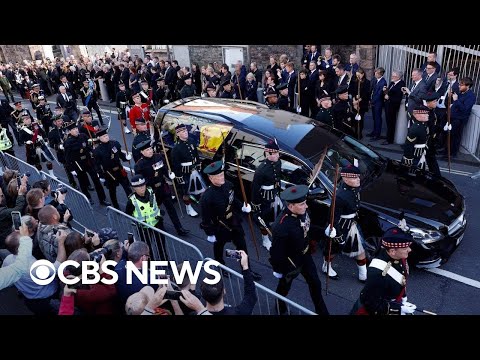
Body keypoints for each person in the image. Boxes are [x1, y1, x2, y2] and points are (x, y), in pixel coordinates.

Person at [269, 185, 329, 315]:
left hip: (305, 255)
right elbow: (276, 252)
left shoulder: (301, 212)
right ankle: (280, 307)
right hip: (291, 262)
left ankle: (322, 312)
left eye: (305, 203)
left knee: (315, 283)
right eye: (302, 204)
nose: (306, 206)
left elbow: (307, 229)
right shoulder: (282, 226)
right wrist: (278, 269)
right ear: (291, 207)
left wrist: (325, 232)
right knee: (284, 286)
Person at [200, 160, 262, 281]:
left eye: (222, 174)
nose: (222, 177)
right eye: (218, 176)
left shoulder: (228, 185)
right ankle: (221, 267)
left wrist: (242, 207)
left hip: (233, 221)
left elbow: (233, 200)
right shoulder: (207, 197)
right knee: (219, 248)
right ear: (211, 178)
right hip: (220, 226)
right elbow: (206, 218)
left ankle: (247, 269)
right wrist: (210, 233)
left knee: (242, 246)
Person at [350, 226, 416, 315]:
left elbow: (402, 280)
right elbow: (371, 304)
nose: (409, 250)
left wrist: (402, 298)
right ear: (392, 251)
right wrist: (397, 309)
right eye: (405, 248)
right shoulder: (377, 274)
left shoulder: (398, 256)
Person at [134, 140, 189, 236]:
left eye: (150, 148)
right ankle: (160, 227)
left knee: (171, 209)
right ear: (142, 152)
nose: (150, 151)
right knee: (156, 211)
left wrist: (169, 174)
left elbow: (164, 169)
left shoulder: (158, 157)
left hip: (163, 187)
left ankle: (179, 228)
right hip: (152, 190)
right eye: (147, 150)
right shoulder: (139, 165)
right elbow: (141, 181)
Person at [324, 165, 367, 282]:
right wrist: (337, 234)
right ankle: (326, 266)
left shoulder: (355, 188)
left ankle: (363, 274)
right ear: (345, 179)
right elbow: (332, 218)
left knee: (360, 250)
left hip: (351, 224)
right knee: (333, 250)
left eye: (358, 177)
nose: (358, 180)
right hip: (341, 226)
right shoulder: (340, 197)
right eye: (354, 178)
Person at [63, 121, 110, 206]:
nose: (76, 130)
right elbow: (67, 157)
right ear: (69, 131)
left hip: (88, 162)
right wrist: (72, 169)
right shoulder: (68, 142)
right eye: (73, 129)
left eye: (76, 128)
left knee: (96, 181)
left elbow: (89, 146)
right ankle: (87, 197)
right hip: (78, 164)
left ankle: (102, 199)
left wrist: (93, 150)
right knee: (83, 182)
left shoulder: (83, 136)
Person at [125, 175, 168, 261]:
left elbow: (158, 201)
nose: (142, 188)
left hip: (157, 223)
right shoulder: (132, 200)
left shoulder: (152, 192)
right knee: (146, 247)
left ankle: (165, 260)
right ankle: (150, 264)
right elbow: (128, 213)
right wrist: (137, 221)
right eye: (139, 186)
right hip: (144, 228)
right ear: (134, 188)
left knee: (161, 244)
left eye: (143, 185)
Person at [200, 250, 257, 315]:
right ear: (224, 291)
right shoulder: (239, 312)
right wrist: (245, 267)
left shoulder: (195, 310)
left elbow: (251, 296)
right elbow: (251, 296)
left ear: (202, 294)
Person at [251, 139, 283, 251]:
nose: (278, 155)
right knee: (264, 218)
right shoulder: (261, 170)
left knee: (276, 215)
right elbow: (255, 189)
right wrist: (256, 205)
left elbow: (277, 176)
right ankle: (265, 239)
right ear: (269, 153)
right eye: (276, 153)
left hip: (275, 194)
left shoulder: (278, 162)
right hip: (265, 197)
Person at [93, 126, 132, 209]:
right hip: (109, 173)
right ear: (99, 138)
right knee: (112, 191)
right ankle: (116, 206)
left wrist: (126, 157)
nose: (106, 137)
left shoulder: (114, 143)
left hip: (119, 169)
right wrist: (101, 175)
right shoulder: (97, 151)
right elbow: (97, 165)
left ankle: (132, 204)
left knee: (127, 188)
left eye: (106, 135)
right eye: (103, 136)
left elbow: (120, 154)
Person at [171, 124, 205, 217]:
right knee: (186, 192)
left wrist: (198, 165)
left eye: (185, 130)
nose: (185, 132)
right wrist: (179, 177)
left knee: (201, 188)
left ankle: (203, 205)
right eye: (182, 131)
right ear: (178, 134)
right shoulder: (176, 148)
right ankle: (188, 207)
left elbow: (196, 155)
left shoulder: (191, 141)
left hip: (195, 170)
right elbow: (176, 165)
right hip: (185, 172)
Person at [401, 106, 430, 171]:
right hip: (415, 156)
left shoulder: (423, 125)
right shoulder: (415, 129)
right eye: (425, 114)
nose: (427, 115)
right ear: (417, 115)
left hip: (420, 153)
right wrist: (408, 158)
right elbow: (409, 145)